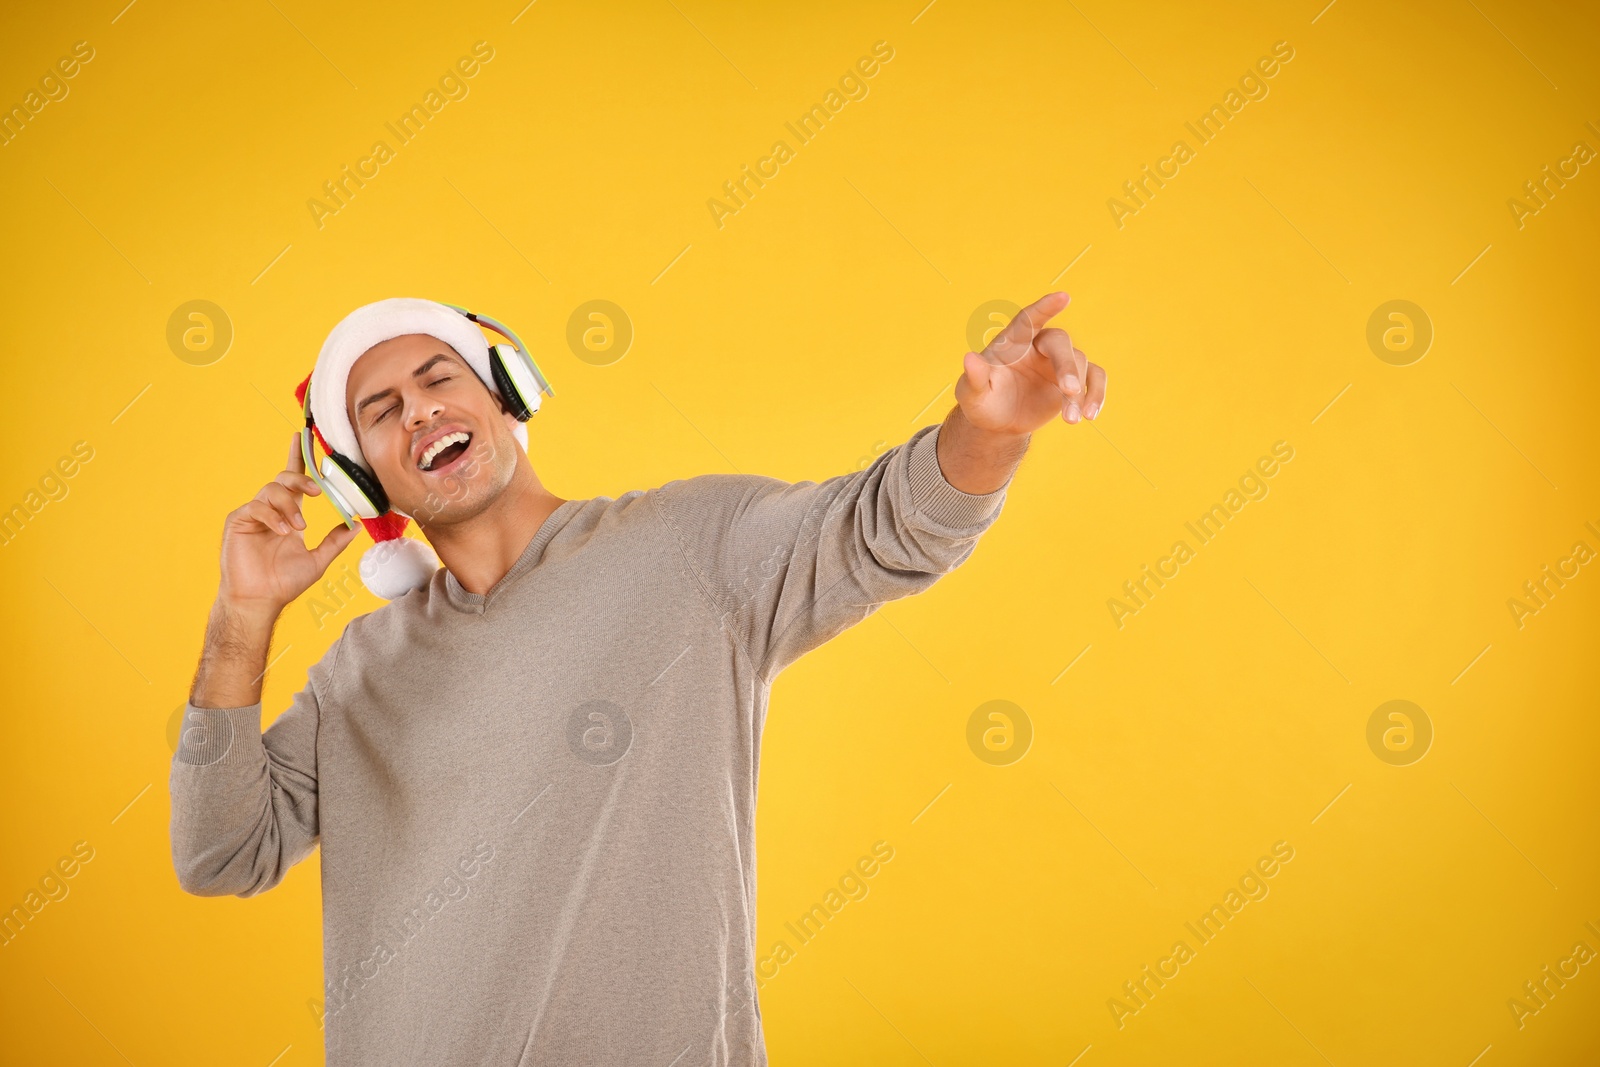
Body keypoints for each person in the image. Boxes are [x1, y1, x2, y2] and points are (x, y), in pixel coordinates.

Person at [169, 292, 1106, 1066]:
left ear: (505, 395)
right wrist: (242, 619)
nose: (418, 411)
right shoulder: (359, 677)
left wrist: (989, 432)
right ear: (364, 480)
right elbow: (220, 853)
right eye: (381, 411)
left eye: (437, 378)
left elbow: (890, 528)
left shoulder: (691, 547)